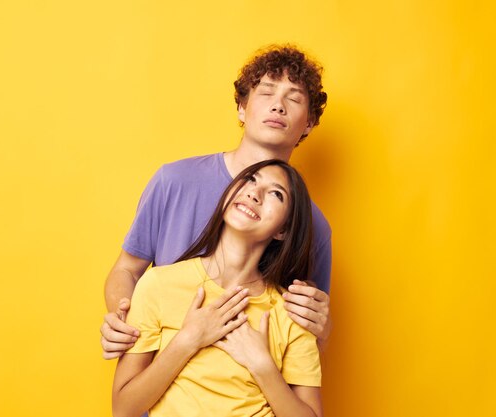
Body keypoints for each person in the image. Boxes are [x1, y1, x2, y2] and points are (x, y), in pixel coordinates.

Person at [101, 45, 332, 359]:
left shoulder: (311, 225)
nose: (278, 106)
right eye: (266, 92)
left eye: (294, 98)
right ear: (241, 107)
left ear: (308, 124)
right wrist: (123, 318)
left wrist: (322, 328)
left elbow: (303, 341)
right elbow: (127, 269)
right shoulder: (174, 181)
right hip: (159, 389)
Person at [112, 160, 322, 417]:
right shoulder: (159, 284)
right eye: (251, 180)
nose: (254, 194)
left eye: (276, 194)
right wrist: (188, 340)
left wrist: (262, 366)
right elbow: (123, 409)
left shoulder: (291, 312)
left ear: (283, 230)